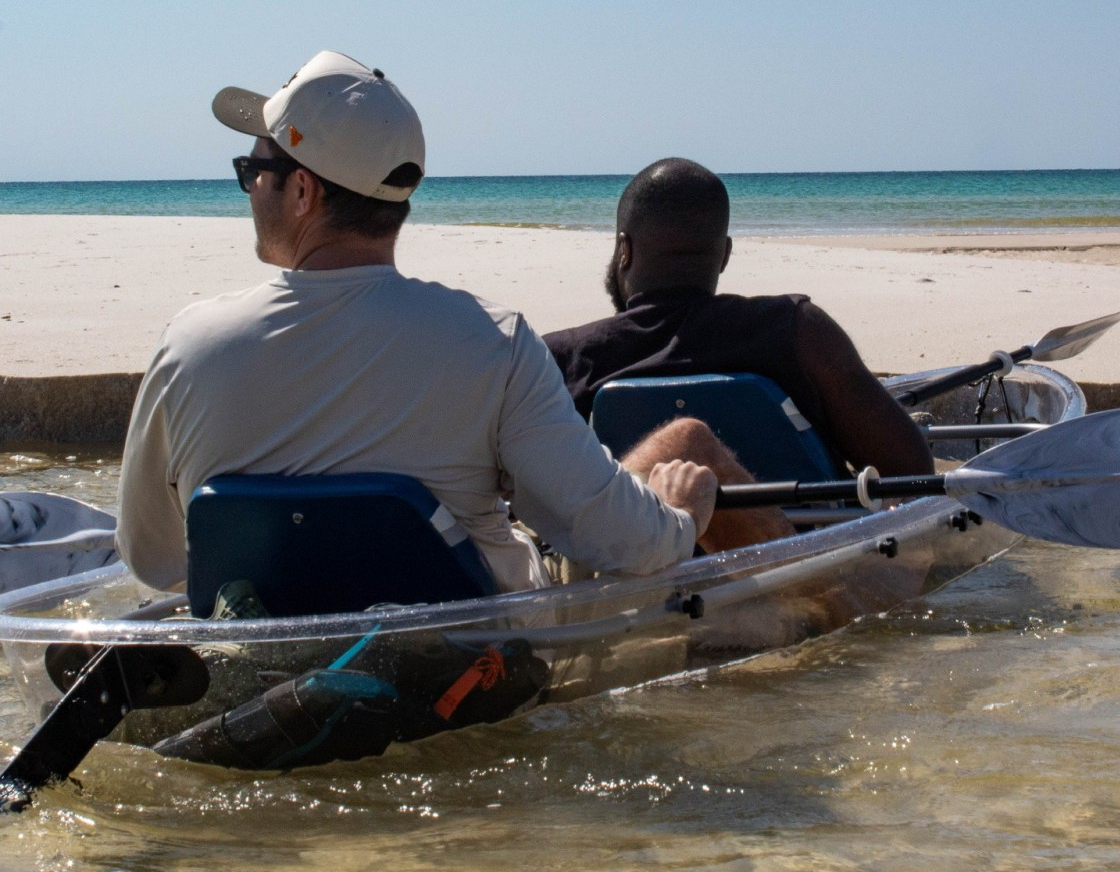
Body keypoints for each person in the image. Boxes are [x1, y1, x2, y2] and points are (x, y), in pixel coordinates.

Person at [115, 53, 718, 597]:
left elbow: (156, 561)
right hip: (471, 673)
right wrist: (678, 516)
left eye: (254, 170)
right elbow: (622, 540)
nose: (250, 188)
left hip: (261, 662)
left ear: (301, 191)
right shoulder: (493, 342)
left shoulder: (189, 345)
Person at [543, 158, 934, 548]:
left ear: (623, 251)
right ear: (725, 254)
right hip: (800, 560)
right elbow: (912, 472)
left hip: (638, 564)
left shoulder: (566, 357)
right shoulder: (796, 329)